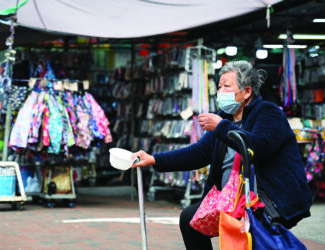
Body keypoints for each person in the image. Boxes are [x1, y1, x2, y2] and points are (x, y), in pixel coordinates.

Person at [131, 60, 312, 250]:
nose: (220, 92)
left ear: (247, 92)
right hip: (230, 197)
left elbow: (260, 148)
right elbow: (199, 153)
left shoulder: (268, 113)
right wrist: (154, 159)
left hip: (266, 197)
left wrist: (220, 127)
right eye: (219, 87)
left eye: (227, 86)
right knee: (189, 220)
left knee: (249, 233)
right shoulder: (224, 117)